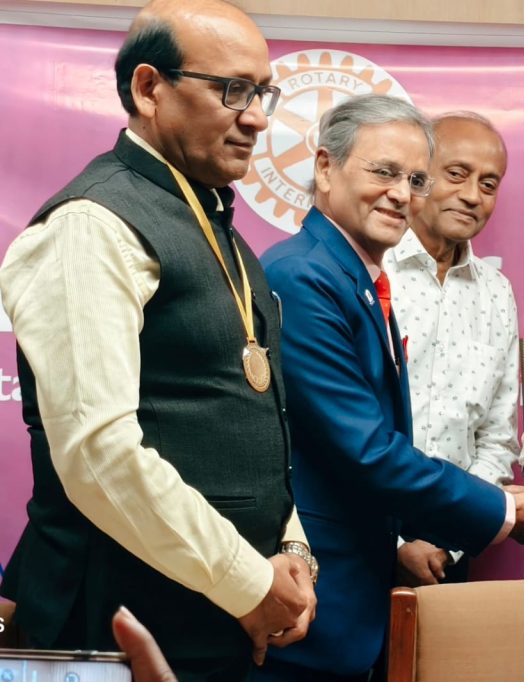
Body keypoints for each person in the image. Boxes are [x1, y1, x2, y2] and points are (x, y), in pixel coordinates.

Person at [0, 0, 316, 678]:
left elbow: (251, 421)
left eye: (262, 93)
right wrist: (250, 584)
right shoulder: (91, 224)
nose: (258, 117)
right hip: (112, 624)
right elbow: (98, 452)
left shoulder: (212, 220)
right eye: (233, 89)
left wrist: (291, 552)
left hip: (218, 620)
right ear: (149, 88)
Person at [256, 94, 524, 680]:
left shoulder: (362, 274)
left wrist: (450, 538)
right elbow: (365, 448)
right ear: (325, 168)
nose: (401, 193)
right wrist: (504, 510)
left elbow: (495, 434)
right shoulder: (306, 276)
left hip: (407, 573)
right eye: (385, 172)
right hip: (323, 586)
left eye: (412, 179)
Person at [383, 112, 519, 586]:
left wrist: (451, 538)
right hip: (355, 539)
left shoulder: (497, 293)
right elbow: (336, 431)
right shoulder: (370, 269)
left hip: (450, 555)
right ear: (418, 176)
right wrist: (396, 543)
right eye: (457, 174)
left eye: (489, 183)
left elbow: (498, 437)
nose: (472, 195)